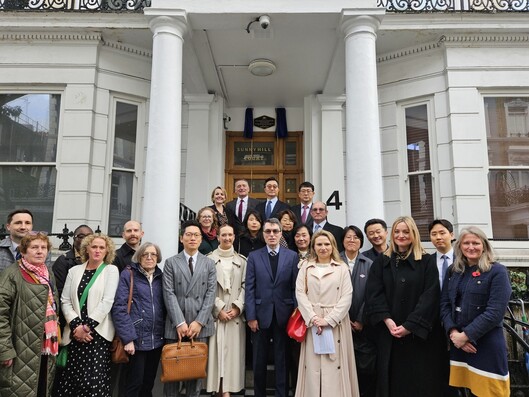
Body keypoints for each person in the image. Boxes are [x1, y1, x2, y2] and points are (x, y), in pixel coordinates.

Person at [365, 216, 443, 397]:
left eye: (406, 231)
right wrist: (387, 319)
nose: (401, 235)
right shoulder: (382, 261)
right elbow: (374, 293)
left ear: (413, 233)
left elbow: (430, 296)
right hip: (389, 333)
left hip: (418, 336)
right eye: (397, 232)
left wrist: (410, 326)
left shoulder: (426, 261)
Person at [440, 226, 511, 396]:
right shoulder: (454, 271)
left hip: (485, 344)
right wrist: (453, 333)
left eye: (476, 243)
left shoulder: (497, 272)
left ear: (484, 246)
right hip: (459, 343)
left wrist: (465, 337)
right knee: (465, 390)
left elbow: (495, 312)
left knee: (490, 392)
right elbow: (445, 304)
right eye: (466, 243)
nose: (471, 247)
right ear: (459, 246)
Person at [294, 230, 359, 397]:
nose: (323, 248)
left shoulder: (342, 268)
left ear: (333, 246)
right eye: (319, 244)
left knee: (335, 364)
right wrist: (313, 317)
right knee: (313, 364)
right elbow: (300, 294)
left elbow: (347, 296)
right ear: (313, 247)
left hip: (335, 323)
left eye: (327, 244)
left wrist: (329, 320)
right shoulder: (305, 267)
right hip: (313, 323)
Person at [55, 233, 120, 396]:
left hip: (97, 335)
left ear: (107, 251)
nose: (97, 250)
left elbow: (107, 301)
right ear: (87, 249)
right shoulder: (74, 271)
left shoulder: (111, 270)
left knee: (94, 381)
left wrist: (87, 327)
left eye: (101, 247)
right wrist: (76, 326)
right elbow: (65, 300)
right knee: (73, 380)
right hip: (75, 335)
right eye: (94, 247)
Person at [0, 232, 59, 396]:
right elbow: (1, 314)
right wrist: (5, 349)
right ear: (24, 251)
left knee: (41, 389)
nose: (40, 251)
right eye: (34, 247)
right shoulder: (12, 274)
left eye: (43, 247)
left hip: (45, 347)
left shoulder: (48, 274)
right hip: (19, 349)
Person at [162, 220, 217, 397]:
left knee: (195, 374)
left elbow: (210, 294)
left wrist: (199, 322)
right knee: (172, 374)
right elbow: (168, 293)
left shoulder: (209, 263)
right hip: (176, 325)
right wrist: (180, 322)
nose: (192, 238)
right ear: (181, 238)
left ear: (201, 239)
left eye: (196, 235)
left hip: (199, 325)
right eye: (188, 235)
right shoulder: (171, 262)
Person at [245, 218, 299, 397]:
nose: (272, 235)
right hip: (260, 316)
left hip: (285, 315)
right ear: (263, 234)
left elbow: (294, 287)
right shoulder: (254, 256)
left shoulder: (291, 256)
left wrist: (294, 314)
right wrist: (251, 316)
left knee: (282, 359)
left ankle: (281, 394)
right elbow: (250, 288)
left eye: (275, 231)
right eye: (268, 231)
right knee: (259, 359)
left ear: (281, 233)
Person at [112, 242, 165, 397]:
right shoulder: (128, 274)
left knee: (148, 384)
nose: (149, 257)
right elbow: (120, 308)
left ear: (158, 257)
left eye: (153, 254)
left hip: (156, 340)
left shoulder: (161, 277)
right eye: (145, 254)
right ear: (139, 257)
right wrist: (128, 338)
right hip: (136, 340)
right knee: (134, 384)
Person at [206, 224, 247, 397]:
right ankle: (219, 391)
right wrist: (219, 308)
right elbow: (205, 288)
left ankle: (228, 391)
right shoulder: (208, 259)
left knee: (231, 358)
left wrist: (238, 307)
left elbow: (247, 286)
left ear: (234, 237)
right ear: (218, 237)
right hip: (216, 316)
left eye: (230, 235)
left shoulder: (242, 261)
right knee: (216, 357)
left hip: (234, 318)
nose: (227, 238)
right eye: (224, 235)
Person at [339, 226, 376, 397]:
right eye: (348, 237)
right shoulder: (335, 261)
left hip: (362, 325)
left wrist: (361, 319)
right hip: (338, 323)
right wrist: (342, 319)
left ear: (361, 241)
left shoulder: (369, 264)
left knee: (364, 368)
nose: (352, 240)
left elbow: (372, 294)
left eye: (356, 237)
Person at [53, 225, 94, 318]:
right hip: (71, 316)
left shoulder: (98, 261)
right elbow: (59, 293)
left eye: (89, 236)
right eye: (81, 236)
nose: (85, 240)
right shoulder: (63, 261)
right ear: (74, 239)